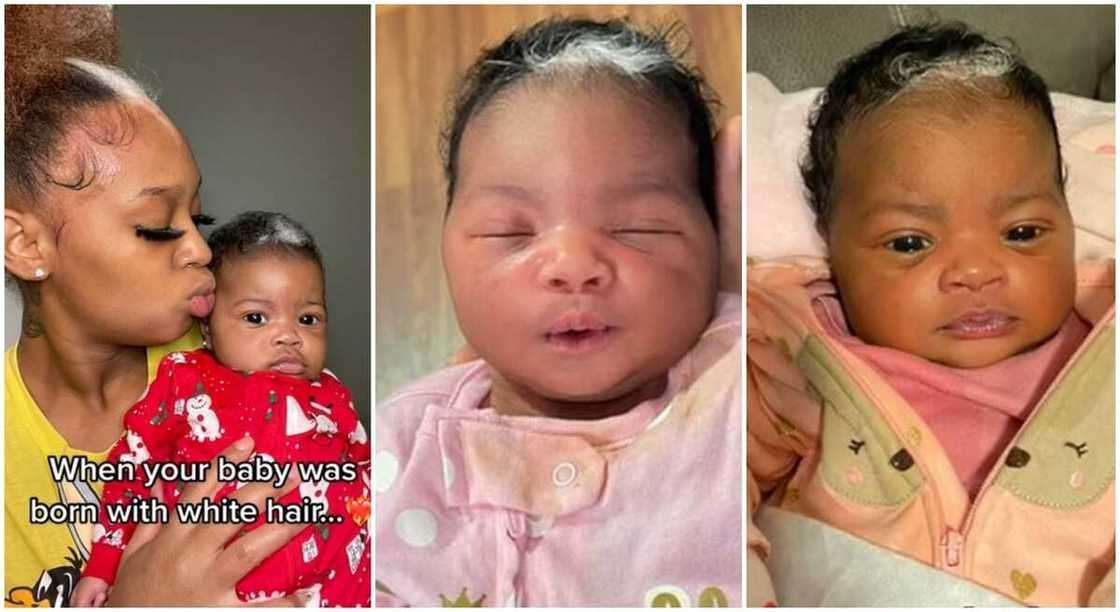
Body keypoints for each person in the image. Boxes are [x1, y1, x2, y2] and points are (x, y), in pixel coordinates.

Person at [376, 18, 742, 606]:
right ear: (445, 250)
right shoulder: (397, 444)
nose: (573, 264)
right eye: (510, 232)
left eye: (639, 227)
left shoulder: (737, 386)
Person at [747, 23, 1114, 606]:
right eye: (911, 243)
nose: (974, 272)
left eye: (1021, 232)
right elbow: (704, 487)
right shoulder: (794, 361)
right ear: (831, 247)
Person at [4, 7, 309, 606]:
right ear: (26, 245)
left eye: (199, 219)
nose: (200, 248)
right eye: (155, 226)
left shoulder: (247, 372)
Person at [70, 212, 370, 607]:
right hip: (221, 589)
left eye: (308, 318)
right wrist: (102, 567)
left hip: (344, 586)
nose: (289, 335)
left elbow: (366, 470)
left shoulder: (332, 395)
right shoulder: (188, 382)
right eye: (256, 318)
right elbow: (134, 467)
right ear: (209, 328)